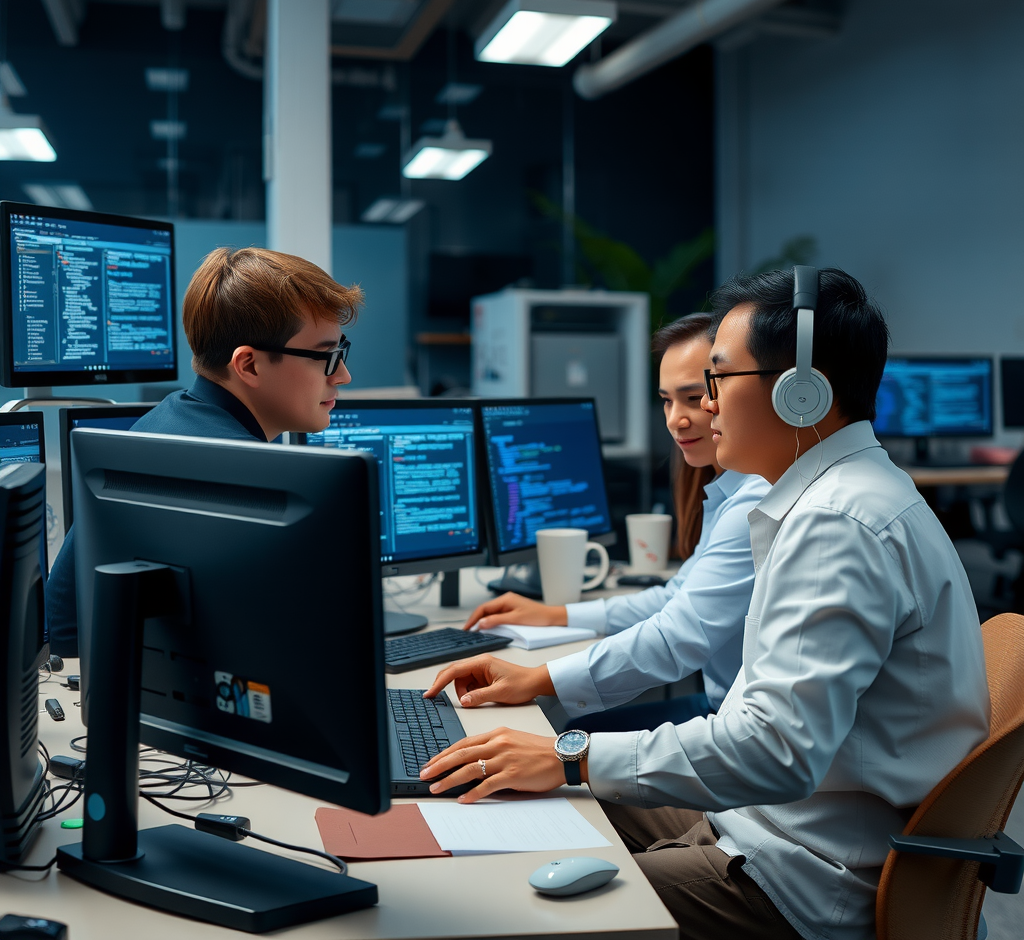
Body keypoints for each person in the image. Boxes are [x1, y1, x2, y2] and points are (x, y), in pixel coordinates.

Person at [420, 267, 990, 940]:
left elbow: (775, 750)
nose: (706, 407)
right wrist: (567, 757)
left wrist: (572, 756)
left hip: (801, 876)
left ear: (801, 393)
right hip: (769, 821)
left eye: (716, 381)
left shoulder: (836, 524)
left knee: (518, 906)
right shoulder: (844, 494)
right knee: (516, 792)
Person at [426, 312, 769, 729]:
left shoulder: (754, 498)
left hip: (732, 720)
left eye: (694, 397)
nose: (674, 419)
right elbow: (675, 596)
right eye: (666, 400)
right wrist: (555, 614)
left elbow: (679, 635)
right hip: (723, 706)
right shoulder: (732, 489)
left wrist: (537, 678)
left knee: (556, 735)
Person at [45, 246, 361, 657]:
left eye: (342, 352)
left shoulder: (163, 421)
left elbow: (63, 626)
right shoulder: (251, 474)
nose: (343, 375)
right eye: (327, 357)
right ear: (249, 365)